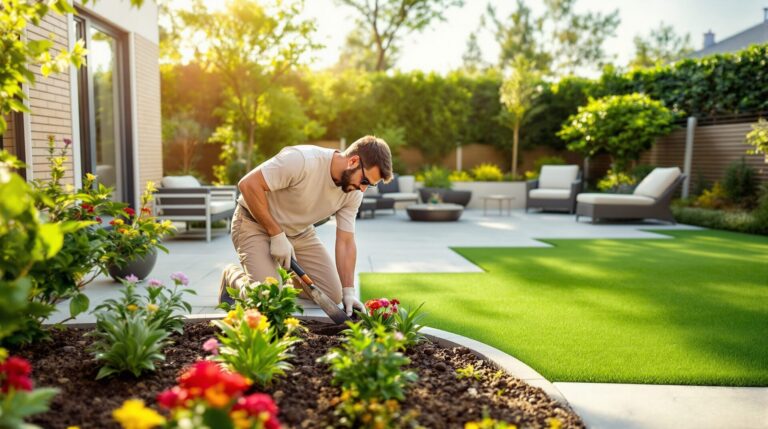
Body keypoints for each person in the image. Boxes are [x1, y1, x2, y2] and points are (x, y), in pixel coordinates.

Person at [219, 135, 393, 316]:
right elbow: (248, 184)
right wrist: (276, 234)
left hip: (299, 233)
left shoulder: (353, 193)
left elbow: (346, 241)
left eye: (370, 186)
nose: (363, 189)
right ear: (353, 161)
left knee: (332, 295)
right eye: (364, 181)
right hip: (254, 223)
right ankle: (233, 276)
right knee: (267, 299)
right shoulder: (302, 160)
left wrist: (349, 291)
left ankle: (276, 277)